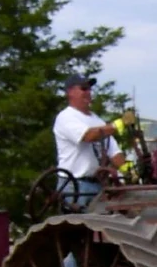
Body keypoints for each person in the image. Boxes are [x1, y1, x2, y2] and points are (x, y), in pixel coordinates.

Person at [53, 74, 128, 207]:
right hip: (75, 186)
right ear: (70, 92)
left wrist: (127, 170)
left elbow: (114, 151)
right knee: (79, 225)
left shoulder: (97, 120)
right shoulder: (66, 117)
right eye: (83, 88)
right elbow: (88, 136)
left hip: (98, 185)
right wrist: (118, 124)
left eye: (89, 89)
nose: (88, 92)